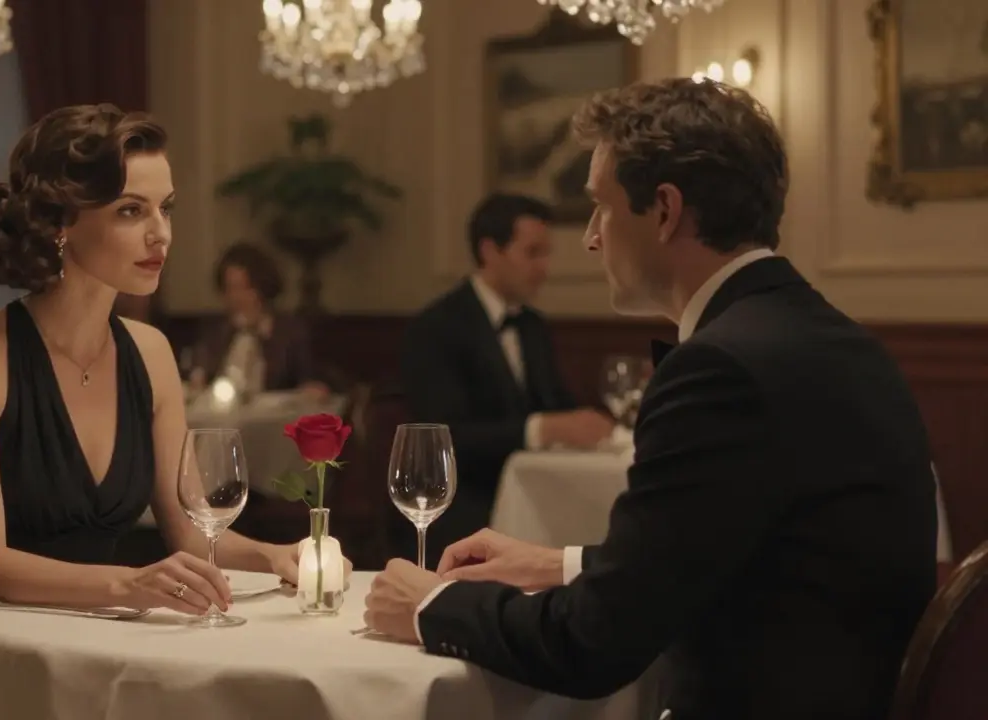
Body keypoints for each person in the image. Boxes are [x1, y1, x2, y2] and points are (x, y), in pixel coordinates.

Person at [363, 79, 937, 719]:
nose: (590, 238)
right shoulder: (835, 338)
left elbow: (591, 645)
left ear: (663, 211)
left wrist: (429, 607)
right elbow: (737, 553)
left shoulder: (720, 367)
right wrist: (558, 563)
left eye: (600, 208)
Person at [0, 105, 348, 720]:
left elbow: (195, 530)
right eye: (130, 210)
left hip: (87, 652)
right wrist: (127, 584)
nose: (161, 234)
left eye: (165, 208)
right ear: (60, 222)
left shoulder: (150, 354)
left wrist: (280, 554)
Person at [398, 193, 615, 567]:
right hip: (466, 503)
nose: (545, 267)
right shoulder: (437, 328)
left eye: (546, 254)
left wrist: (582, 422)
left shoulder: (533, 326)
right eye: (533, 253)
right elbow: (446, 438)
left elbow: (556, 404)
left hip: (542, 495)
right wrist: (541, 429)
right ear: (490, 251)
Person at [189, 241, 326, 396]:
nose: (236, 297)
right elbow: (200, 373)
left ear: (262, 288)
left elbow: (308, 380)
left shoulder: (290, 333)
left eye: (244, 288)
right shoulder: (216, 332)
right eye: (229, 289)